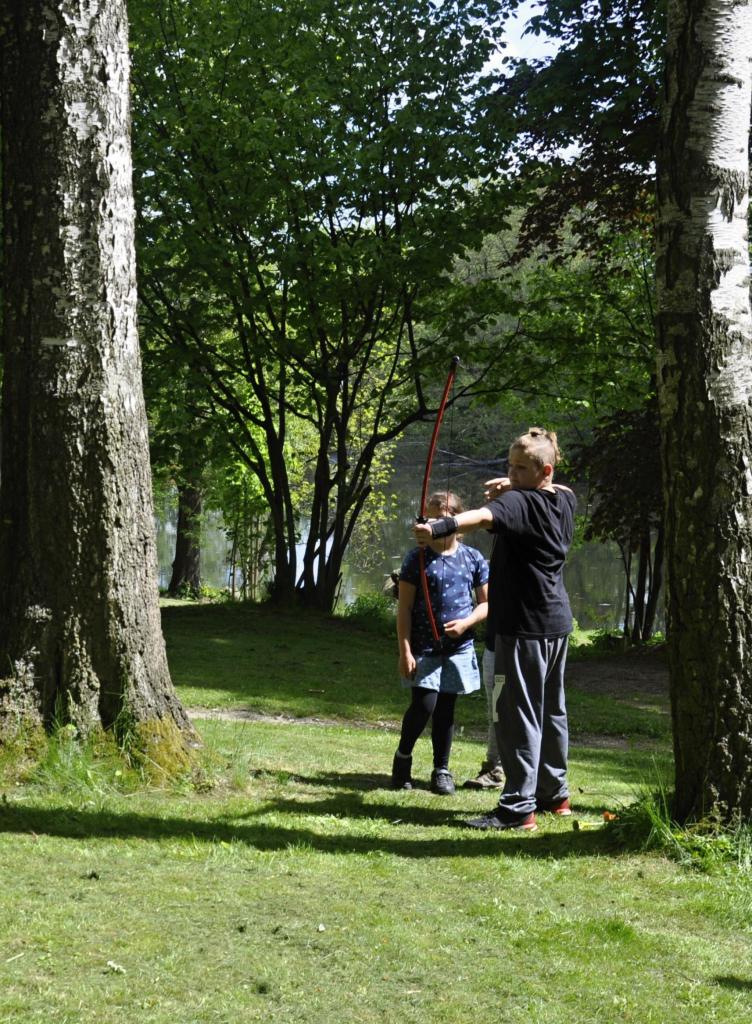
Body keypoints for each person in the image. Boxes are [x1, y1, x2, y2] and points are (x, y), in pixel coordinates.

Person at [414, 429, 575, 830]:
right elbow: (558, 489)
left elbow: (482, 517)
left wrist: (439, 527)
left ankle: (517, 808)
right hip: (555, 623)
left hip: (521, 628)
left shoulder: (520, 501)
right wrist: (516, 482)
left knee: (516, 714)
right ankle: (554, 795)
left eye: (520, 468)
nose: (512, 474)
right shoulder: (563, 499)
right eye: (509, 466)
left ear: (545, 470)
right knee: (551, 711)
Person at [392, 490, 489, 795]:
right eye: (431, 517)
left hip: (457, 648)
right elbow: (405, 608)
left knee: (446, 709)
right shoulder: (416, 558)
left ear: (458, 520)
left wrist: (466, 624)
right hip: (423, 647)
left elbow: (486, 604)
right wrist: (405, 650)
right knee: (424, 705)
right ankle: (402, 759)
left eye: (443, 517)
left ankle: (441, 770)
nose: (436, 523)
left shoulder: (473, 558)